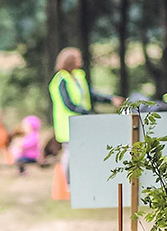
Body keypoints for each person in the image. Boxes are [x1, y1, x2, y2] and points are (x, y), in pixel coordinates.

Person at [49, 47, 124, 180]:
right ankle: (67, 182)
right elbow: (68, 103)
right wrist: (85, 112)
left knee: (83, 152)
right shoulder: (61, 80)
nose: (81, 61)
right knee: (70, 152)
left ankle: (81, 180)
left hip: (82, 122)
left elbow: (91, 94)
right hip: (68, 123)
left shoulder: (78, 77)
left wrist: (111, 99)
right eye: (78, 58)